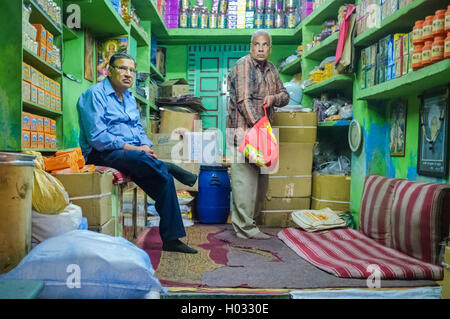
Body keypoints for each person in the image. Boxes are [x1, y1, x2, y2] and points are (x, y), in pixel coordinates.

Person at [77, 52, 198, 254]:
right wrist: (136, 149)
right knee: (139, 158)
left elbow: (138, 129)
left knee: (165, 180)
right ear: (109, 71)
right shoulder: (94, 94)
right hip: (101, 153)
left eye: (132, 70)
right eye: (123, 68)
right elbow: (97, 137)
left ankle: (171, 240)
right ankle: (169, 166)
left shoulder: (130, 98)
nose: (128, 74)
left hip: (131, 155)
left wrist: (146, 146)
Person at [226, 30, 290, 240]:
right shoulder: (244, 65)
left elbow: (286, 95)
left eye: (265, 45)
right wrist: (260, 127)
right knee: (244, 182)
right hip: (243, 132)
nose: (261, 48)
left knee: (261, 184)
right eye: (256, 44)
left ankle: (250, 224)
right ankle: (244, 228)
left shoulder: (272, 69)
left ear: (270, 49)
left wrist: (273, 97)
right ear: (250, 47)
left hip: (262, 134)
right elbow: (243, 100)